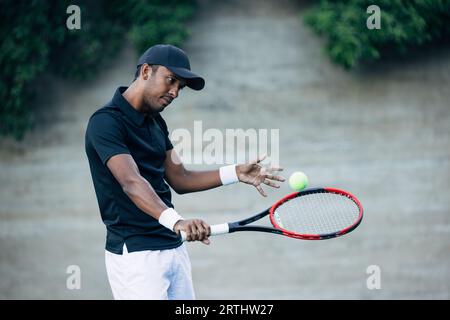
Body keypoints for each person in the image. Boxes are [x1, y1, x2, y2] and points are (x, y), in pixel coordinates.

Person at [85, 44, 284, 300]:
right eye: (171, 81)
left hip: (174, 249)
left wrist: (236, 172)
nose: (175, 92)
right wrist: (177, 221)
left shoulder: (156, 122)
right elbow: (131, 181)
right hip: (136, 256)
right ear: (146, 71)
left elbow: (180, 177)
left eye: (180, 87)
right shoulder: (105, 122)